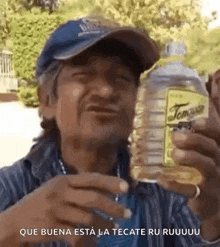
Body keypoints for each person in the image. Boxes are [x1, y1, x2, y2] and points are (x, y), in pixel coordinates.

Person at [0, 16, 220, 247]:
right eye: (83, 76)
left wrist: (215, 221)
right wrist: (10, 228)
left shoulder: (168, 189)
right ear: (46, 100)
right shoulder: (11, 189)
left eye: (121, 79)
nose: (106, 91)